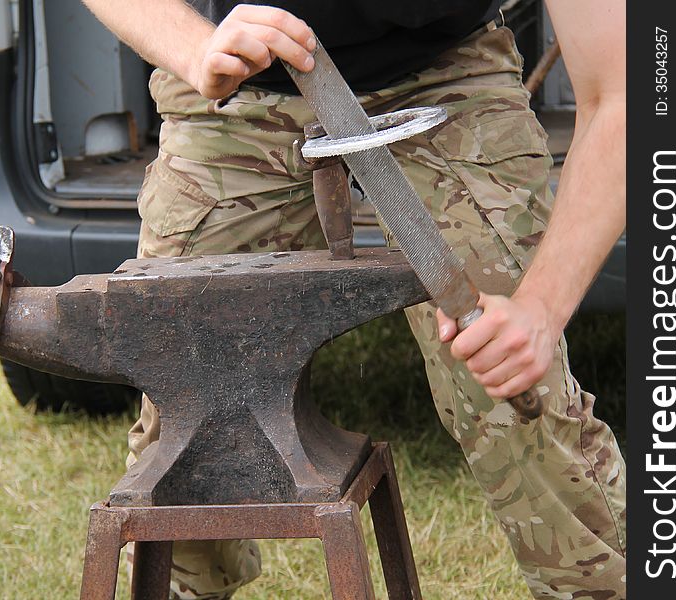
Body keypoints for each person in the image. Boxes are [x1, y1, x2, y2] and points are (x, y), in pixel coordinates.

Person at [81, 1, 627, 598]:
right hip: (237, 84)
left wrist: (542, 308)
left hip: (444, 72)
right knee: (188, 401)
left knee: (515, 389)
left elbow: (638, 89)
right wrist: (192, 48)